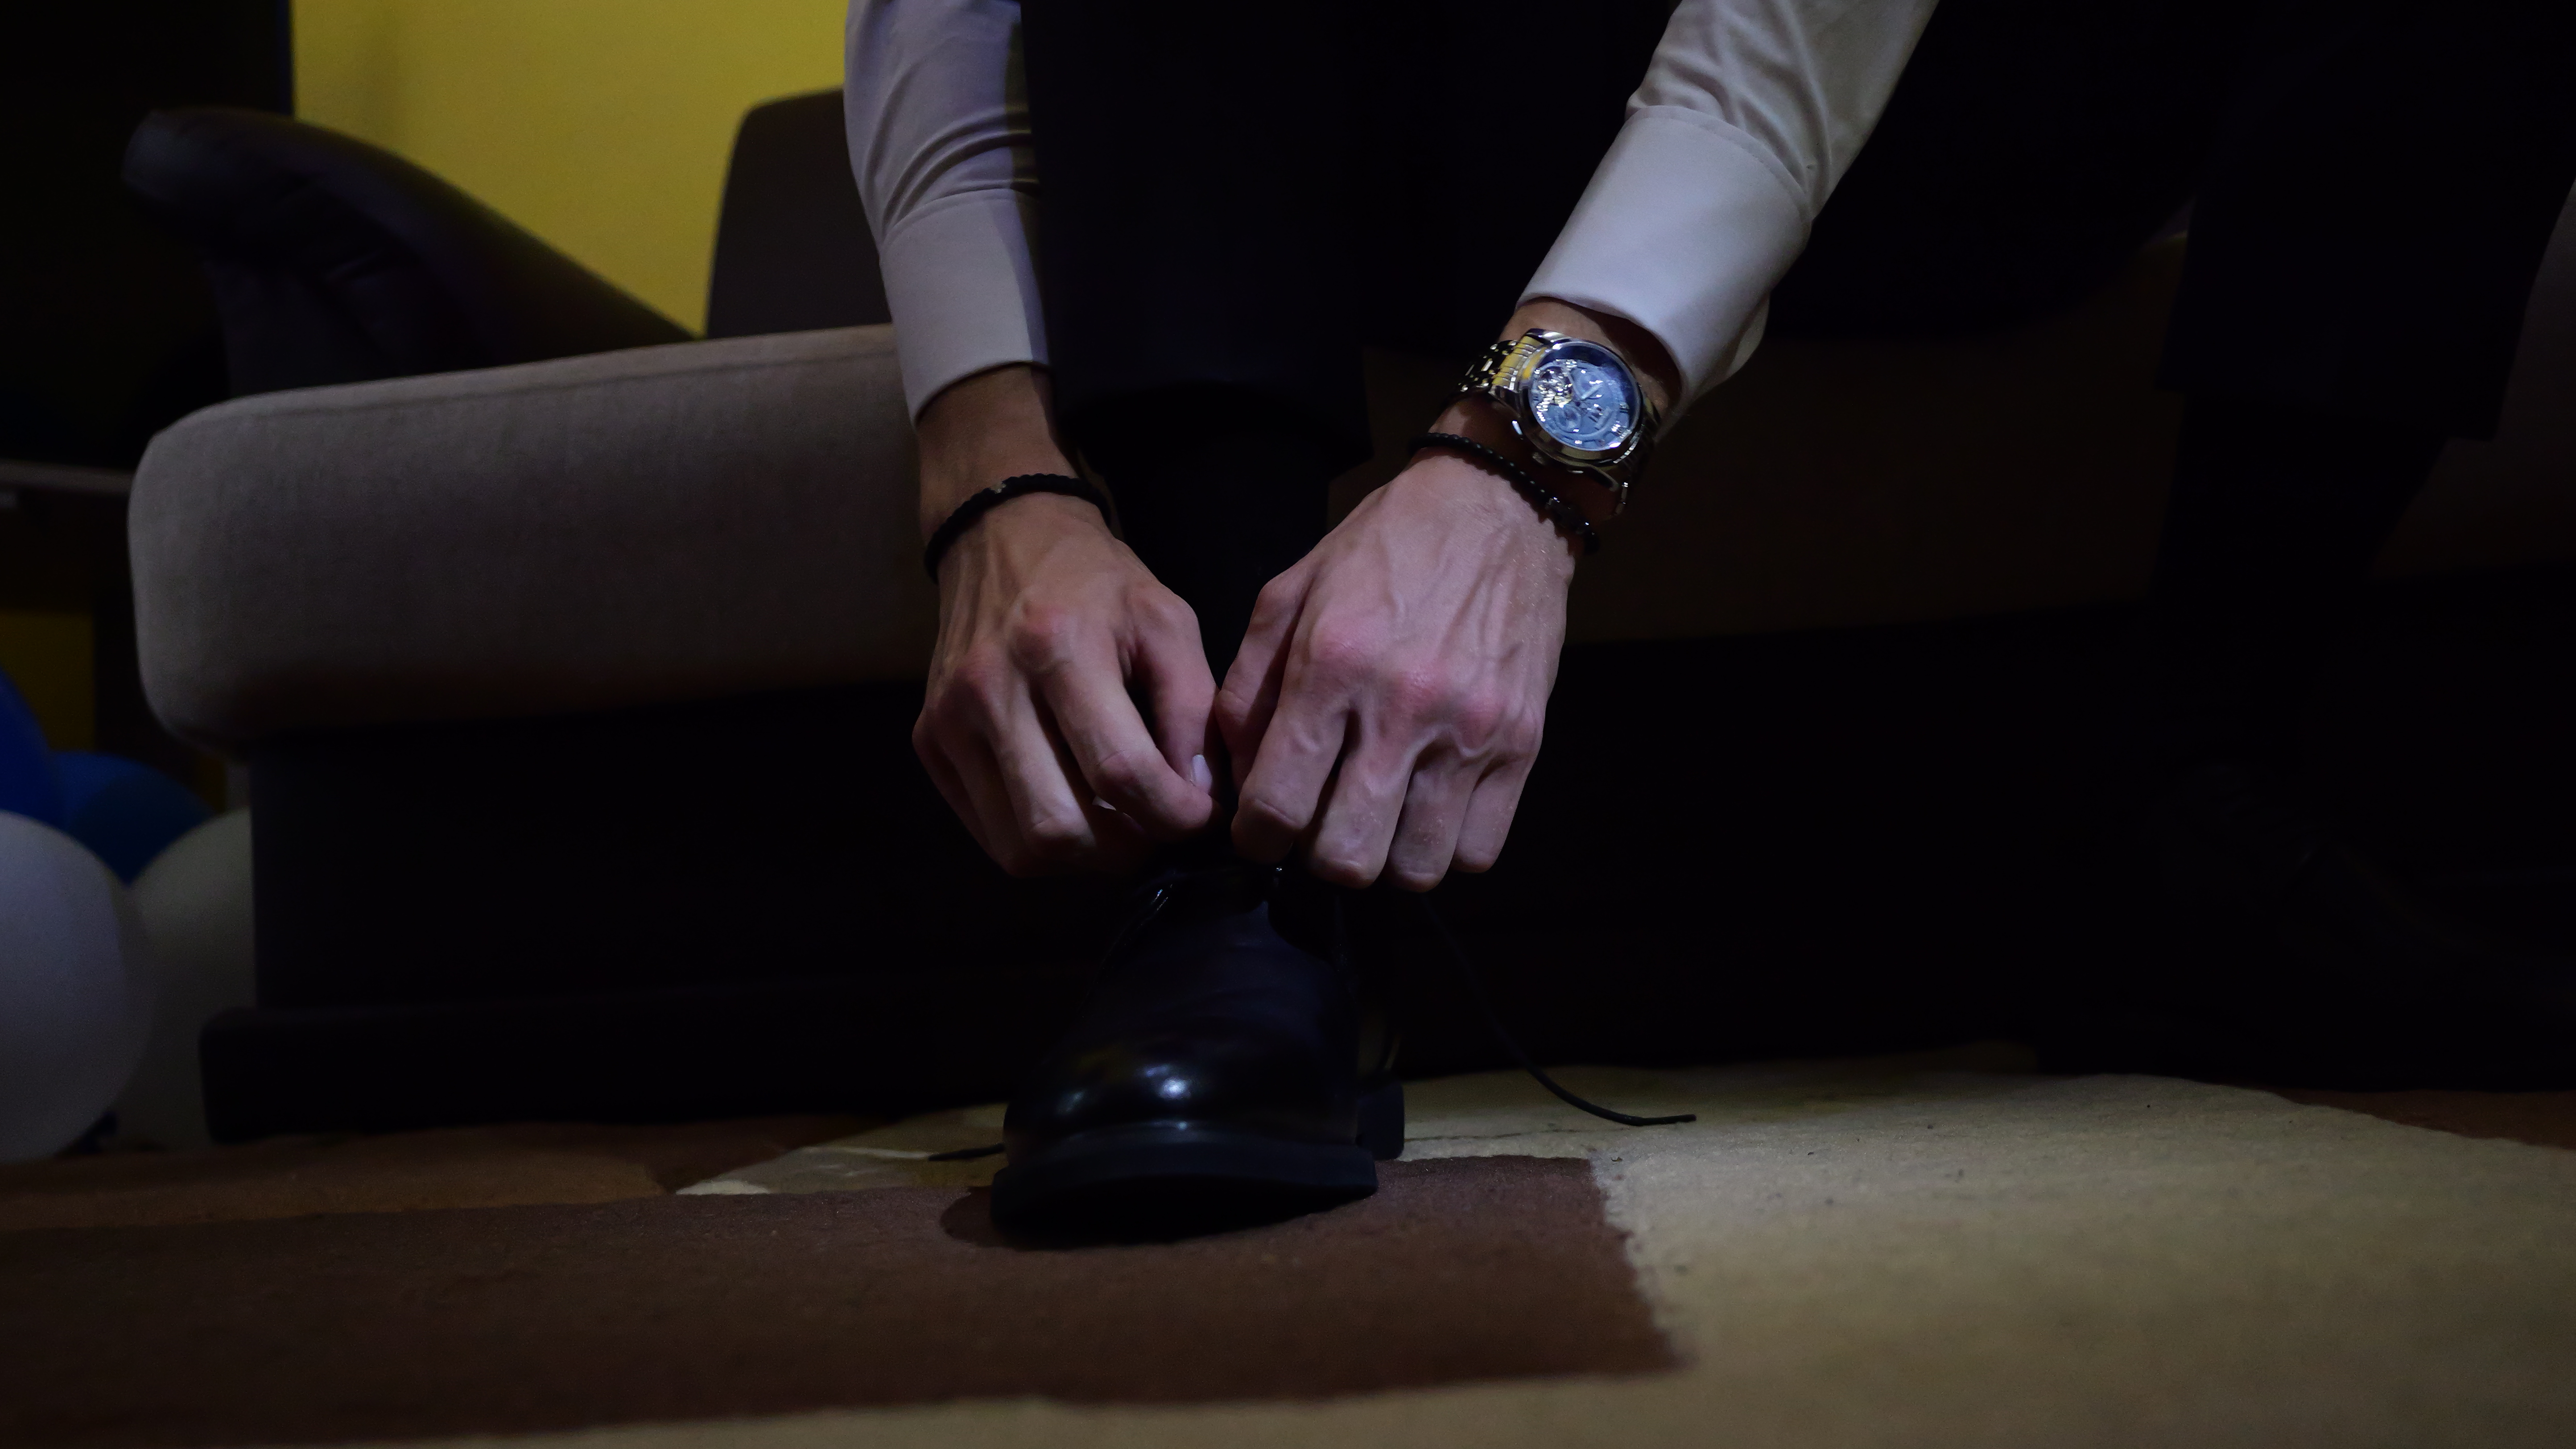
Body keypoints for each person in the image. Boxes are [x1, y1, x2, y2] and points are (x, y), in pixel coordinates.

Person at [846, 0, 2576, 1231]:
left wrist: (1525, 463)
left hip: (1921, 122)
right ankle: (1244, 857)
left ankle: (2199, 799)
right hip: (1368, 118)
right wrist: (997, 473)